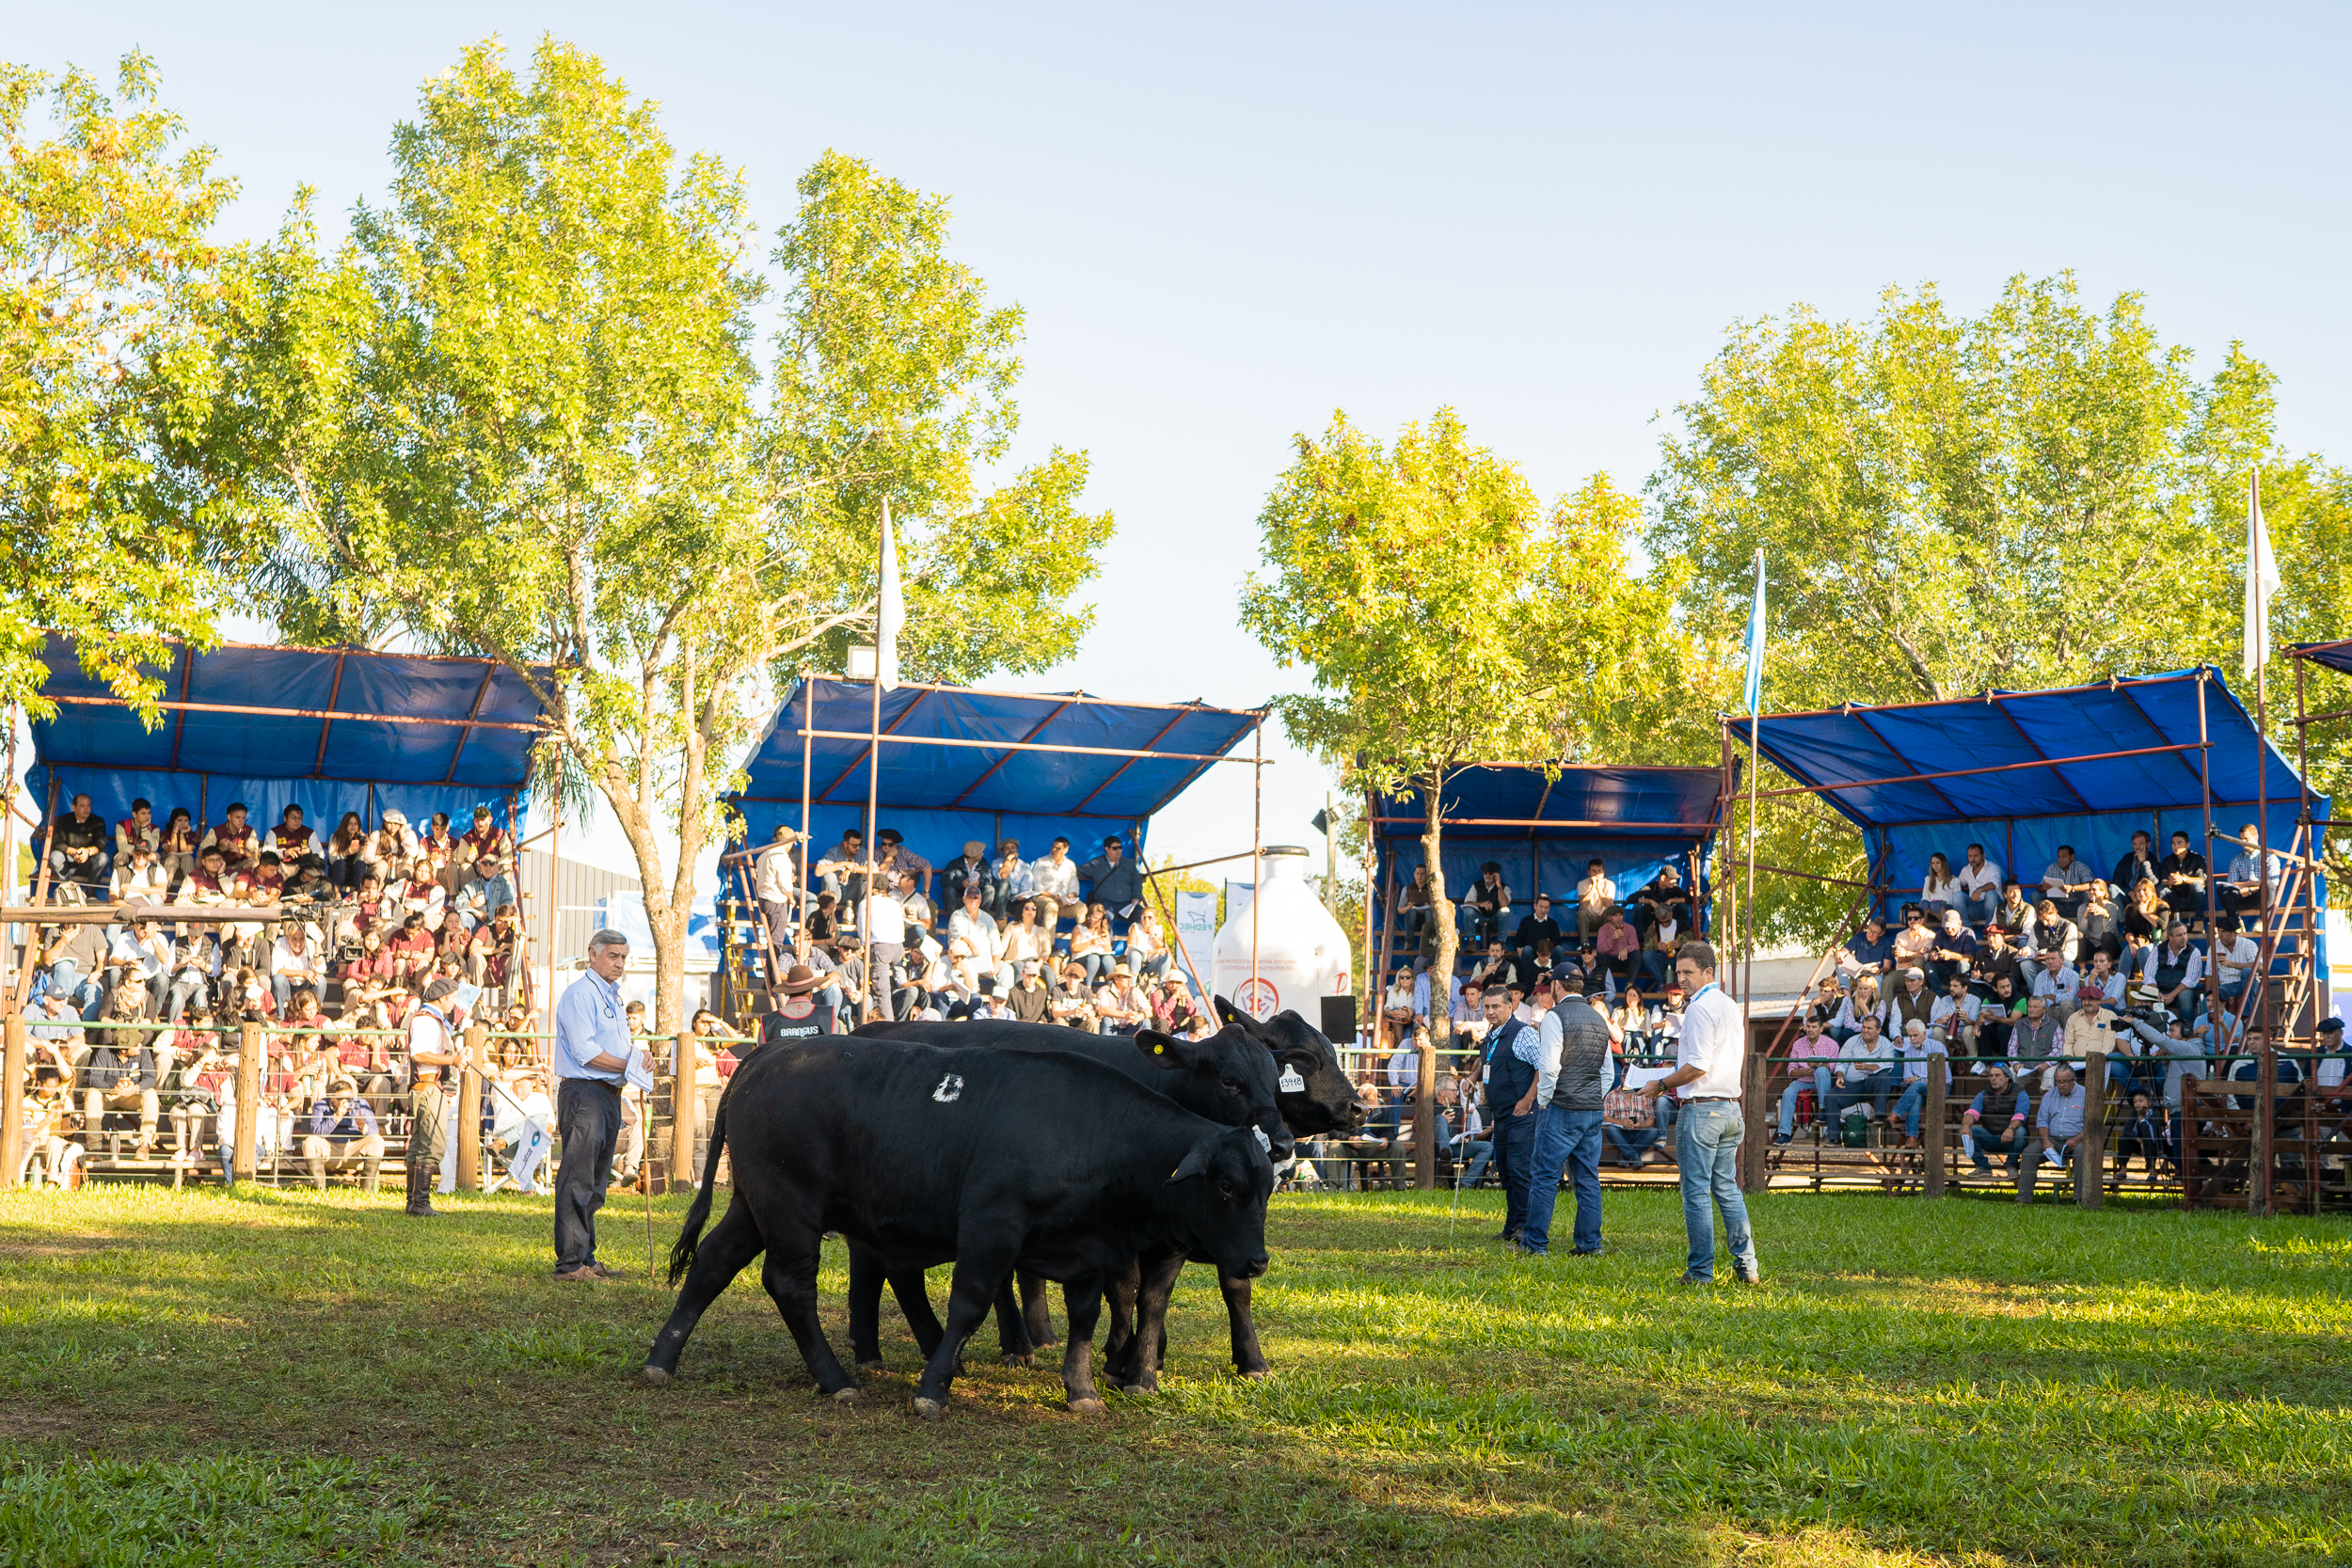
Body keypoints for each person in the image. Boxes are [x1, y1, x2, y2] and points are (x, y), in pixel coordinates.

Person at [1638, 942, 1756, 1285]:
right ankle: (1746, 1266)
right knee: (1727, 1189)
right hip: (1730, 1108)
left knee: (1696, 1192)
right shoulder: (1730, 1006)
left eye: (1689, 972)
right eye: (1679, 972)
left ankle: (1701, 1271)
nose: (1682, 978)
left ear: (1709, 972)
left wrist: (1660, 1084)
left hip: (1702, 1109)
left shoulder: (1700, 1008)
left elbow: (1699, 1066)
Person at [550, 931, 644, 1279]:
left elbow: (615, 1050)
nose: (619, 963)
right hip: (584, 1092)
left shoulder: (613, 997)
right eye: (613, 956)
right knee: (578, 1177)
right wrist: (629, 1063)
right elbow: (585, 1051)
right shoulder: (580, 994)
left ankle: (586, 1257)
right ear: (592, 954)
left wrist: (636, 1059)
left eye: (623, 957)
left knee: (596, 1180)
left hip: (607, 1094)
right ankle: (570, 1263)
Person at [1518, 983, 1615, 1257]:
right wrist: (1593, 1095)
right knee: (1587, 1179)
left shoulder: (1554, 1016)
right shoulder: (1598, 1018)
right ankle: (1589, 1244)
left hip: (1561, 1106)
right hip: (1592, 1109)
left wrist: (1544, 1100)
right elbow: (1608, 1072)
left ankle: (1535, 1244)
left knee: (1545, 1176)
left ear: (1557, 986)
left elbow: (1549, 1067)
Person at [1479, 985, 1540, 1244]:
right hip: (1500, 1115)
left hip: (1522, 1114)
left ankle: (1525, 1227)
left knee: (1520, 1170)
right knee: (1504, 1171)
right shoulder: (1491, 1035)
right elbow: (1487, 1064)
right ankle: (1512, 1225)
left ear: (1510, 1006)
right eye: (1487, 1007)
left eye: (1496, 1007)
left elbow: (1544, 1067)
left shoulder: (1524, 1033)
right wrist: (1473, 1078)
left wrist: (1527, 1100)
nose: (1491, 1012)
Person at [402, 979, 462, 1216]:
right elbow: (419, 1054)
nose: (455, 1002)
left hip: (426, 1086)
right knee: (432, 1145)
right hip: (429, 1087)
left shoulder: (431, 1019)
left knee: (418, 1144)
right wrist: (452, 1060)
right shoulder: (427, 1020)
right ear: (442, 998)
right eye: (453, 997)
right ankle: (420, 1203)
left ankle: (413, 1201)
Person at [2019, 1061, 2088, 1202]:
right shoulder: (2049, 1096)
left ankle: (2080, 1199)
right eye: (2058, 1082)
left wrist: (2077, 1139)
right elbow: (2042, 1121)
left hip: (2078, 1138)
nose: (2061, 1085)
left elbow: (2092, 1125)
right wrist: (2045, 1141)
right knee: (2029, 1153)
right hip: (2053, 1139)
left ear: (2074, 1080)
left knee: (2082, 1152)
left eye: (2065, 1081)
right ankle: (2023, 1198)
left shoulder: (2086, 1095)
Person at [302, 1077, 385, 1192]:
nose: (345, 1102)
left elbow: (375, 1132)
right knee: (310, 1142)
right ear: (332, 1098)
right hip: (330, 1147)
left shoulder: (361, 1104)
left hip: (354, 1148)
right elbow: (316, 1131)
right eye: (341, 1098)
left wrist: (363, 1127)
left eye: (349, 1098)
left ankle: (366, 1190)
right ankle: (319, 1189)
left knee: (377, 1141)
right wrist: (336, 1117)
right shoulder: (321, 1105)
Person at [1773, 1010, 1842, 1144]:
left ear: (1821, 1029)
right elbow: (1791, 1071)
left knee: (1822, 1071)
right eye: (1808, 1026)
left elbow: (1833, 1068)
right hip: (1803, 1081)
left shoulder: (1831, 1044)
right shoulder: (1798, 1044)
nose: (1810, 1030)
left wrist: (1819, 1065)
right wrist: (1804, 1072)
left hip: (1822, 1083)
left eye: (1814, 1027)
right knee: (1788, 1092)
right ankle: (1784, 1134)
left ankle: (1823, 1111)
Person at [1960, 1064, 2031, 1175]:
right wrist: (1965, 1126)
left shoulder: (2020, 1093)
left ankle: (2012, 1165)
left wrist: (2010, 1128)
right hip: (1990, 1138)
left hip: (2011, 1139)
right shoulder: (1983, 1094)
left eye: (1997, 1075)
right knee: (1967, 1131)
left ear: (2007, 1078)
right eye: (1991, 1076)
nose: (1993, 1078)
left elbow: (2020, 1115)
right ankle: (1983, 1167)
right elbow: (1972, 1112)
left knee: (2021, 1132)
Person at [48, 793, 111, 889]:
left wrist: (87, 852)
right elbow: (57, 844)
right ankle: (68, 890)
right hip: (68, 863)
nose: (86, 809)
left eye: (88, 806)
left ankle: (91, 892)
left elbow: (101, 845)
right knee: (55, 856)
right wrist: (73, 852)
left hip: (89, 863)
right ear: (74, 807)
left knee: (103, 858)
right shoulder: (64, 820)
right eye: (82, 806)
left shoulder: (97, 821)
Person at [1076, 835, 1144, 922]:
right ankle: (1106, 935)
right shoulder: (1097, 864)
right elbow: (1075, 870)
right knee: (1104, 920)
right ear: (1107, 849)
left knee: (1144, 916)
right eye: (1115, 848)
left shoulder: (1128, 864)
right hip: (1105, 903)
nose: (1118, 850)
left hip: (1126, 904)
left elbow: (1137, 880)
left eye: (1120, 847)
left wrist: (1136, 897)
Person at [2112, 1088, 2171, 1184]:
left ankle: (2152, 1170)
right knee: (2123, 1139)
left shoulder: (2155, 1113)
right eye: (2135, 1102)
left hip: (2153, 1144)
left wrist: (2141, 1119)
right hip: (2140, 1144)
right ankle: (2122, 1169)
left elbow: (2149, 1133)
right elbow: (2127, 1129)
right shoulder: (2135, 1113)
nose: (2137, 1104)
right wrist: (2139, 1140)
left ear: (2149, 1102)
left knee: (2148, 1140)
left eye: (2141, 1101)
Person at [2156, 830, 2208, 922]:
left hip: (2192, 900)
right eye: (2173, 843)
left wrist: (2183, 879)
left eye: (2179, 843)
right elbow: (2162, 881)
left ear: (2187, 845)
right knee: (2161, 889)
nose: (2175, 846)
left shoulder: (2198, 859)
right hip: (2175, 899)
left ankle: (2199, 921)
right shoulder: (2167, 861)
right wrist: (2170, 882)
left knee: (2197, 885)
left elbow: (2201, 880)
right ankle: (2164, 923)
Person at [1954, 843, 2003, 927]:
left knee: (1991, 894)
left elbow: (1994, 884)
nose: (1972, 859)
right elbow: (1957, 883)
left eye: (1976, 856)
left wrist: (1979, 890)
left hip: (1992, 907)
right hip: (1974, 907)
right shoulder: (1965, 870)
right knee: (1957, 896)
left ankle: (1990, 927)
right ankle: (1967, 929)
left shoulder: (1993, 868)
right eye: (1970, 856)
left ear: (1983, 856)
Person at [1512, 895, 1562, 961]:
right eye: (1541, 907)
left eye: (1546, 907)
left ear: (1549, 909)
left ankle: (1558, 971)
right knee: (1527, 950)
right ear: (1535, 906)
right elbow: (1518, 939)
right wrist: (1518, 949)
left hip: (1547, 954)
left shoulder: (1553, 923)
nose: (1543, 910)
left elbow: (1557, 942)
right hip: (1531, 953)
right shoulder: (1526, 921)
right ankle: (1526, 971)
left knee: (1559, 950)